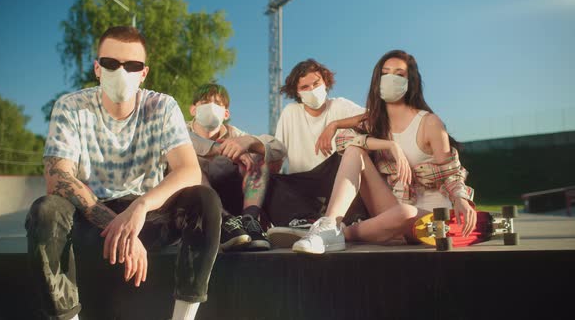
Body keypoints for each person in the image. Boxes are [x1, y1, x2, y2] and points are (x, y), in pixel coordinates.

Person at [25, 26, 222, 320]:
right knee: (45, 210)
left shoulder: (162, 106)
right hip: (91, 219)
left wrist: (139, 207)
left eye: (132, 66)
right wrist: (121, 229)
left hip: (147, 218)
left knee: (205, 200)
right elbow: (58, 179)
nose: (121, 72)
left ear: (143, 73)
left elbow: (189, 170)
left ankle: (182, 318)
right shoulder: (71, 106)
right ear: (97, 68)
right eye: (111, 63)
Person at [292, 49, 477, 254]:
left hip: (429, 219)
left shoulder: (429, 122)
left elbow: (451, 173)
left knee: (404, 213)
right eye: (385, 73)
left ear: (411, 81)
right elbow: (345, 142)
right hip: (389, 209)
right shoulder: (375, 122)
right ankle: (329, 224)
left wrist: (461, 199)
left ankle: (339, 234)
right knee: (354, 150)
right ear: (377, 80)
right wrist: (390, 145)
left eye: (399, 74)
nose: (390, 79)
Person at [265, 59, 367, 247]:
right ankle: (304, 222)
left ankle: (351, 218)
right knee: (270, 180)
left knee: (348, 155)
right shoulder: (290, 112)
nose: (312, 89)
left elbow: (373, 116)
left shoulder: (339, 105)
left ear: (325, 82)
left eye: (316, 83)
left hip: (334, 177)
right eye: (305, 86)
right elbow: (278, 153)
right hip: (303, 182)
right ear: (297, 92)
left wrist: (334, 125)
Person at [187, 83, 286, 251]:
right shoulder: (179, 130)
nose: (211, 107)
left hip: (232, 194)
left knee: (257, 160)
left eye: (217, 103)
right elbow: (181, 142)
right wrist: (220, 149)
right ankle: (222, 221)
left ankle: (250, 222)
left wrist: (249, 142)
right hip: (192, 202)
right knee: (189, 165)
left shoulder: (235, 134)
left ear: (226, 113)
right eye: (204, 102)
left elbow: (279, 149)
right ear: (193, 110)